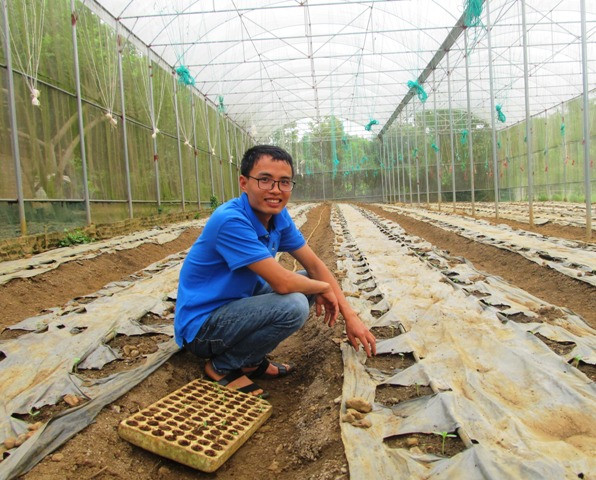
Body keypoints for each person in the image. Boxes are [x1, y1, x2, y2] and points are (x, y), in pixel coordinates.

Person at [174, 145, 376, 396]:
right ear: (244, 183)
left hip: (237, 305)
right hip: (203, 328)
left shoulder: (279, 218)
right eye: (265, 180)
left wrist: (351, 317)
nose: (275, 190)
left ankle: (250, 362)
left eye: (284, 182)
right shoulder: (230, 220)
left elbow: (314, 265)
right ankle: (222, 366)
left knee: (307, 282)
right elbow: (282, 283)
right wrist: (324, 288)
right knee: (294, 304)